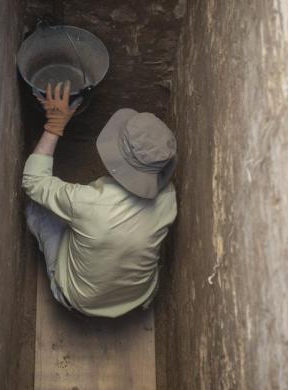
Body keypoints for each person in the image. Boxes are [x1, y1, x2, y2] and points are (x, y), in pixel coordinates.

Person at [22, 81, 178, 318]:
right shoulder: (168, 197)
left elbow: (33, 181)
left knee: (36, 208)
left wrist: (55, 125)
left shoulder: (86, 202)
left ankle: (63, 284)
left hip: (79, 299)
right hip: (140, 296)